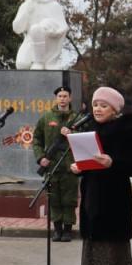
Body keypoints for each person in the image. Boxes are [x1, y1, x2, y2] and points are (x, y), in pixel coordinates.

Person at [72, 86, 132, 265]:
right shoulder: (91, 130)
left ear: (115, 109)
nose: (98, 109)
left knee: (110, 253)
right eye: (95, 105)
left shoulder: (125, 130)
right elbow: (91, 164)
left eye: (103, 105)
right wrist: (79, 167)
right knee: (92, 251)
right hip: (92, 197)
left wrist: (112, 161)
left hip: (113, 201)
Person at [33, 86, 83, 241]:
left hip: (70, 166)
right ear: (56, 98)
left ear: (70, 98)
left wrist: (72, 133)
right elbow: (37, 139)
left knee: (69, 199)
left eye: (65, 95)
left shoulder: (77, 118)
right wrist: (41, 157)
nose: (62, 98)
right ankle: (57, 230)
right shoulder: (47, 118)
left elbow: (84, 137)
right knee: (54, 199)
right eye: (59, 96)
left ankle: (67, 230)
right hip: (52, 165)